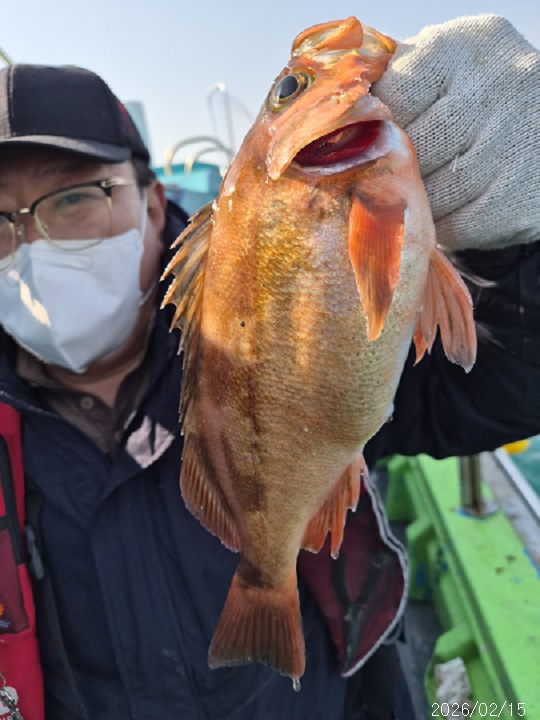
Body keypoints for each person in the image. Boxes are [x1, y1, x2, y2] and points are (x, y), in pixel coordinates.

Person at [0, 13, 538, 720]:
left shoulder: (246, 307)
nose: (32, 240)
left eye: (73, 197)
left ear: (155, 204)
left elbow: (508, 385)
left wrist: (518, 250)